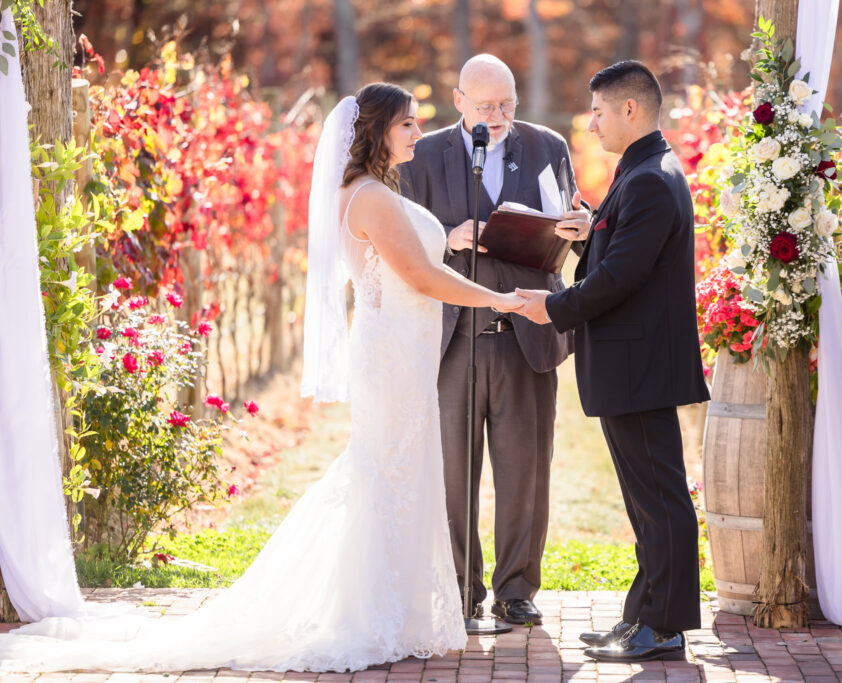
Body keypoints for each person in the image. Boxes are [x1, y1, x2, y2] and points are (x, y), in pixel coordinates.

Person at [0, 83, 525, 673]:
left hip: (401, 350)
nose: (418, 134)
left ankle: (398, 612)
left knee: (399, 473)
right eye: (407, 124)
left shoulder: (370, 190)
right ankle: (377, 614)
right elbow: (424, 279)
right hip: (395, 355)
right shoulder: (373, 195)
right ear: (376, 131)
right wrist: (505, 300)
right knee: (391, 474)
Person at [516, 60, 709, 662]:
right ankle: (642, 617)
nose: (591, 121)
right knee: (646, 502)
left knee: (661, 499)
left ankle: (666, 626)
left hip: (640, 366)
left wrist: (554, 307)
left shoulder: (651, 178)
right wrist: (590, 228)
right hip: (636, 364)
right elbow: (623, 246)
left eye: (598, 110)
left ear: (630, 110)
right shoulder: (645, 170)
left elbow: (625, 274)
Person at [398, 54, 586, 625]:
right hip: (454, 339)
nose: (498, 115)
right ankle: (459, 587)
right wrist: (450, 239)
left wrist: (581, 230)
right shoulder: (423, 155)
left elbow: (571, 227)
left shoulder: (549, 144)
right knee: (452, 471)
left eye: (507, 104)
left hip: (528, 333)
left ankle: (517, 589)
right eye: (485, 107)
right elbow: (398, 242)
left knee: (526, 469)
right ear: (458, 102)